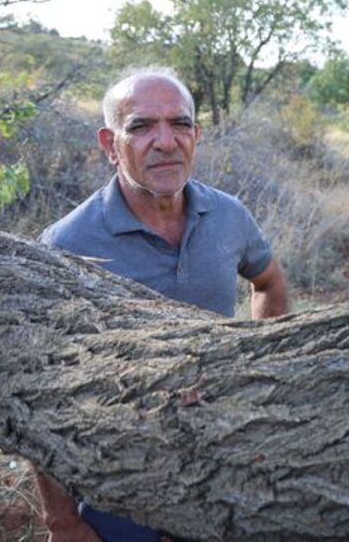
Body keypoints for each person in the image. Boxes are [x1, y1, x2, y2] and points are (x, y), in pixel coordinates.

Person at [34, 68, 289, 541]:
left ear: (197, 135)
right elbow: (35, 392)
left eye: (180, 124)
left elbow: (269, 283)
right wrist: (62, 520)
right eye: (142, 126)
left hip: (220, 449)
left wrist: (260, 364)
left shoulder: (229, 216)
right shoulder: (67, 244)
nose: (166, 141)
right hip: (120, 473)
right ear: (110, 144)